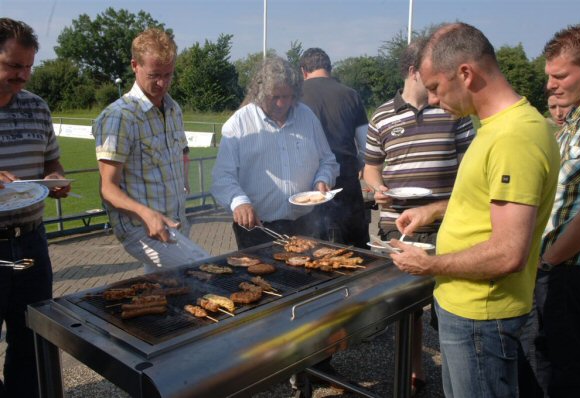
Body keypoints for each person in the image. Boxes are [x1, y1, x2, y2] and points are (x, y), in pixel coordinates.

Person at [390, 22, 560, 398]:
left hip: (480, 317)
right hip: (467, 311)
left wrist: (428, 264)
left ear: (466, 74)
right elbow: (492, 199)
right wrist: (434, 210)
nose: (432, 99)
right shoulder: (494, 127)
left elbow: (507, 252)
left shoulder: (514, 136)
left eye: (435, 87)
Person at [363, 38, 474, 396]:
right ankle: (413, 368)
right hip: (396, 222)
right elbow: (370, 168)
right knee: (406, 305)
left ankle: (458, 373)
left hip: (448, 223)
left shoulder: (453, 109)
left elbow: (470, 166)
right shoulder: (381, 115)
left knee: (449, 302)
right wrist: (377, 188)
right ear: (413, 71)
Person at [93, 28, 208, 274]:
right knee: (203, 269)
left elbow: (178, 152)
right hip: (140, 227)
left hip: (175, 223)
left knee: (168, 293)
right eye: (154, 75)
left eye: (168, 75)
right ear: (135, 65)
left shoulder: (173, 108)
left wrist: (184, 176)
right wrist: (147, 215)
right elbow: (107, 189)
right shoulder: (119, 117)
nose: (162, 83)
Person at [0, 18, 71, 397]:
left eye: (28, 66)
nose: (23, 75)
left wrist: (56, 181)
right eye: (14, 66)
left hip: (30, 242)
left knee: (31, 337)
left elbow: (50, 164)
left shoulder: (37, 108)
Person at [528, 24, 580, 397]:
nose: (551, 85)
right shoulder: (577, 120)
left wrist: (548, 262)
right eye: (549, 77)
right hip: (559, 266)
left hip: (570, 269)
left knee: (564, 365)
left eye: (560, 75)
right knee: (546, 354)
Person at [211, 56, 339, 249]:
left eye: (286, 97)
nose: (281, 104)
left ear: (295, 94)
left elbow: (328, 160)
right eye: (274, 97)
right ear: (260, 94)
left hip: (306, 222)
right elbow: (222, 177)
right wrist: (239, 202)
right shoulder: (239, 123)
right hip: (258, 227)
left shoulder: (307, 117)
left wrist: (322, 179)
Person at [299, 47, 369, 248]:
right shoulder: (351, 95)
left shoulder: (294, 97)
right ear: (329, 68)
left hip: (309, 188)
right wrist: (362, 166)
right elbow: (365, 144)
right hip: (347, 183)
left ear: (304, 71)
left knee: (314, 252)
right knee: (355, 251)